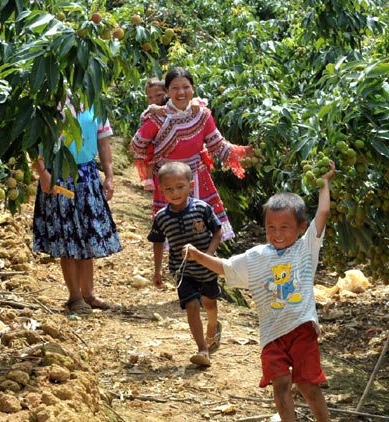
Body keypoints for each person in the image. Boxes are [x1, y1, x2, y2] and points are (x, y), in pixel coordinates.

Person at [183, 161, 335, 422]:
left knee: (308, 385)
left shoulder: (305, 249)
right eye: (271, 227)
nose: (277, 233)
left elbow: (323, 213)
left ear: (301, 227)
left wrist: (325, 182)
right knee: (280, 383)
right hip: (272, 334)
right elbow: (226, 267)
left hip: (301, 329)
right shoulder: (256, 257)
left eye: (285, 227)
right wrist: (198, 256)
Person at [131, 67, 252, 241]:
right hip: (170, 182)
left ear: (193, 88)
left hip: (197, 178)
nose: (181, 92)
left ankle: (204, 264)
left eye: (186, 87)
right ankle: (178, 267)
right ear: (167, 91)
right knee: (174, 234)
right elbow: (137, 145)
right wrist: (157, 164)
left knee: (203, 232)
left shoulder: (202, 114)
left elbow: (217, 145)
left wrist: (245, 152)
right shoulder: (158, 118)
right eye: (175, 88)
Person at [31, 98, 122, 315]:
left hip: (88, 173)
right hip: (59, 173)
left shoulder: (93, 101)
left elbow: (103, 142)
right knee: (67, 235)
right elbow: (32, 143)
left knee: (87, 234)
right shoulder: (47, 100)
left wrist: (109, 175)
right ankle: (75, 296)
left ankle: (88, 294)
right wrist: (43, 173)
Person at [148, 162, 223, 367]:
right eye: (169, 189)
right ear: (161, 191)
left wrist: (208, 255)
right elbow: (157, 242)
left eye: (180, 187)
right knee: (191, 305)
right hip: (182, 270)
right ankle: (202, 349)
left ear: (191, 185)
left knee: (209, 303)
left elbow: (218, 230)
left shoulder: (201, 208)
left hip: (207, 267)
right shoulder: (162, 217)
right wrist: (157, 270)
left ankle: (214, 324)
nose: (175, 192)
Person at [139, 77, 204, 191]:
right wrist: (154, 109)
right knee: (153, 156)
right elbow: (147, 112)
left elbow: (194, 101)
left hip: (185, 156)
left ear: (167, 92)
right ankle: (149, 178)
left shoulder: (177, 104)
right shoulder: (155, 110)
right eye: (150, 97)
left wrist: (194, 102)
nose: (154, 100)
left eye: (159, 95)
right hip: (157, 143)